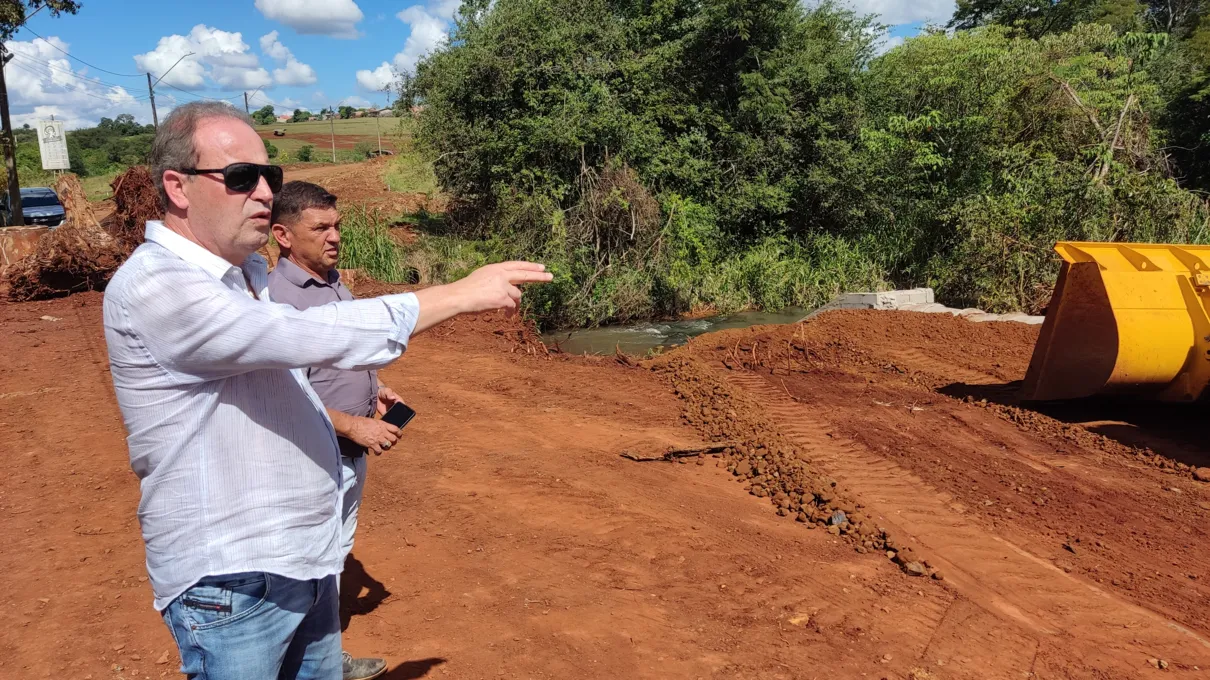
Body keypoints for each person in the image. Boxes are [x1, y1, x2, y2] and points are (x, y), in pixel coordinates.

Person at [101, 101, 551, 680]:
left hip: (300, 560)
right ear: (177, 186)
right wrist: (458, 294)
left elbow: (287, 380)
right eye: (241, 177)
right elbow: (307, 335)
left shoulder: (245, 279)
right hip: (234, 579)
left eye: (270, 176)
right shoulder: (158, 285)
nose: (265, 192)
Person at [266, 181, 399, 680]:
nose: (335, 236)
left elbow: (342, 357)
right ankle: (302, 662)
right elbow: (283, 392)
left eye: (337, 225)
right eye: (320, 228)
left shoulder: (334, 283)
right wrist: (352, 425)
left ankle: (318, 658)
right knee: (306, 562)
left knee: (334, 554)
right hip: (313, 457)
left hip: (348, 452)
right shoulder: (277, 300)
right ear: (282, 235)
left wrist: (377, 388)